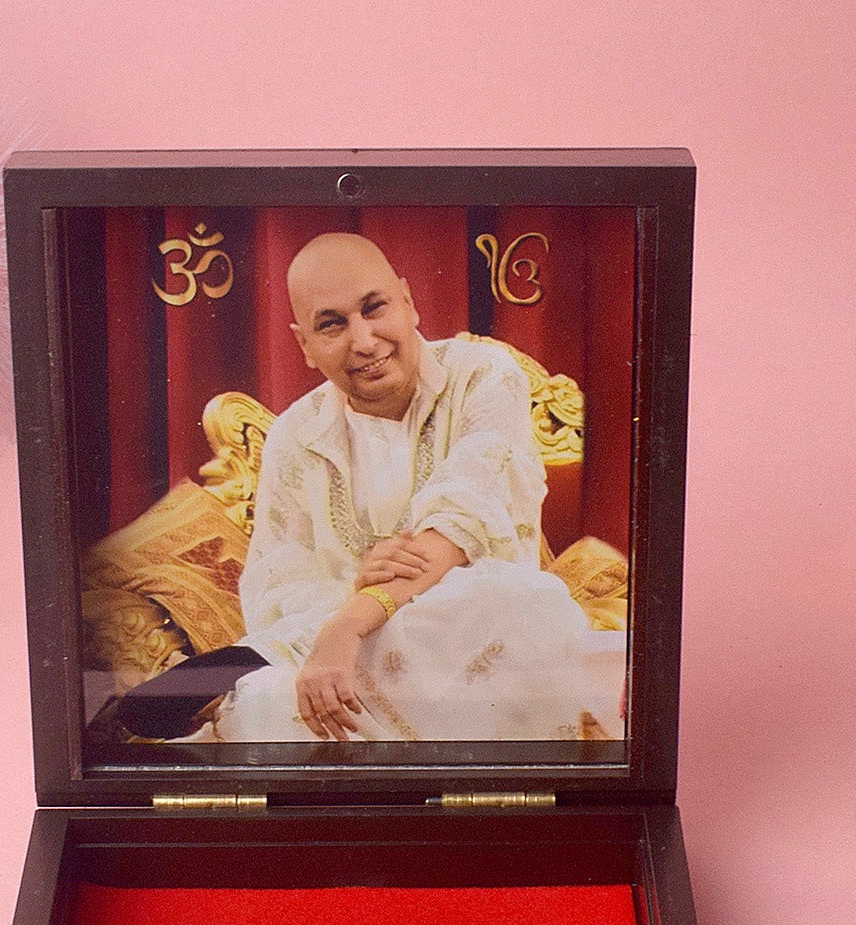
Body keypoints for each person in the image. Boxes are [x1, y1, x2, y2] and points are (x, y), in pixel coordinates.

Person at [119, 232, 623, 742]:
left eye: (374, 308)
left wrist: (353, 622)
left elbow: (465, 513)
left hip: (467, 636)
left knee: (523, 600)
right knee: (275, 700)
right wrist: (351, 597)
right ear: (304, 345)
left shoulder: (482, 376)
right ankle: (266, 672)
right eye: (331, 324)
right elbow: (281, 582)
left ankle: (247, 665)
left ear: (408, 302)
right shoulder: (295, 435)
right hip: (338, 652)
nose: (363, 341)